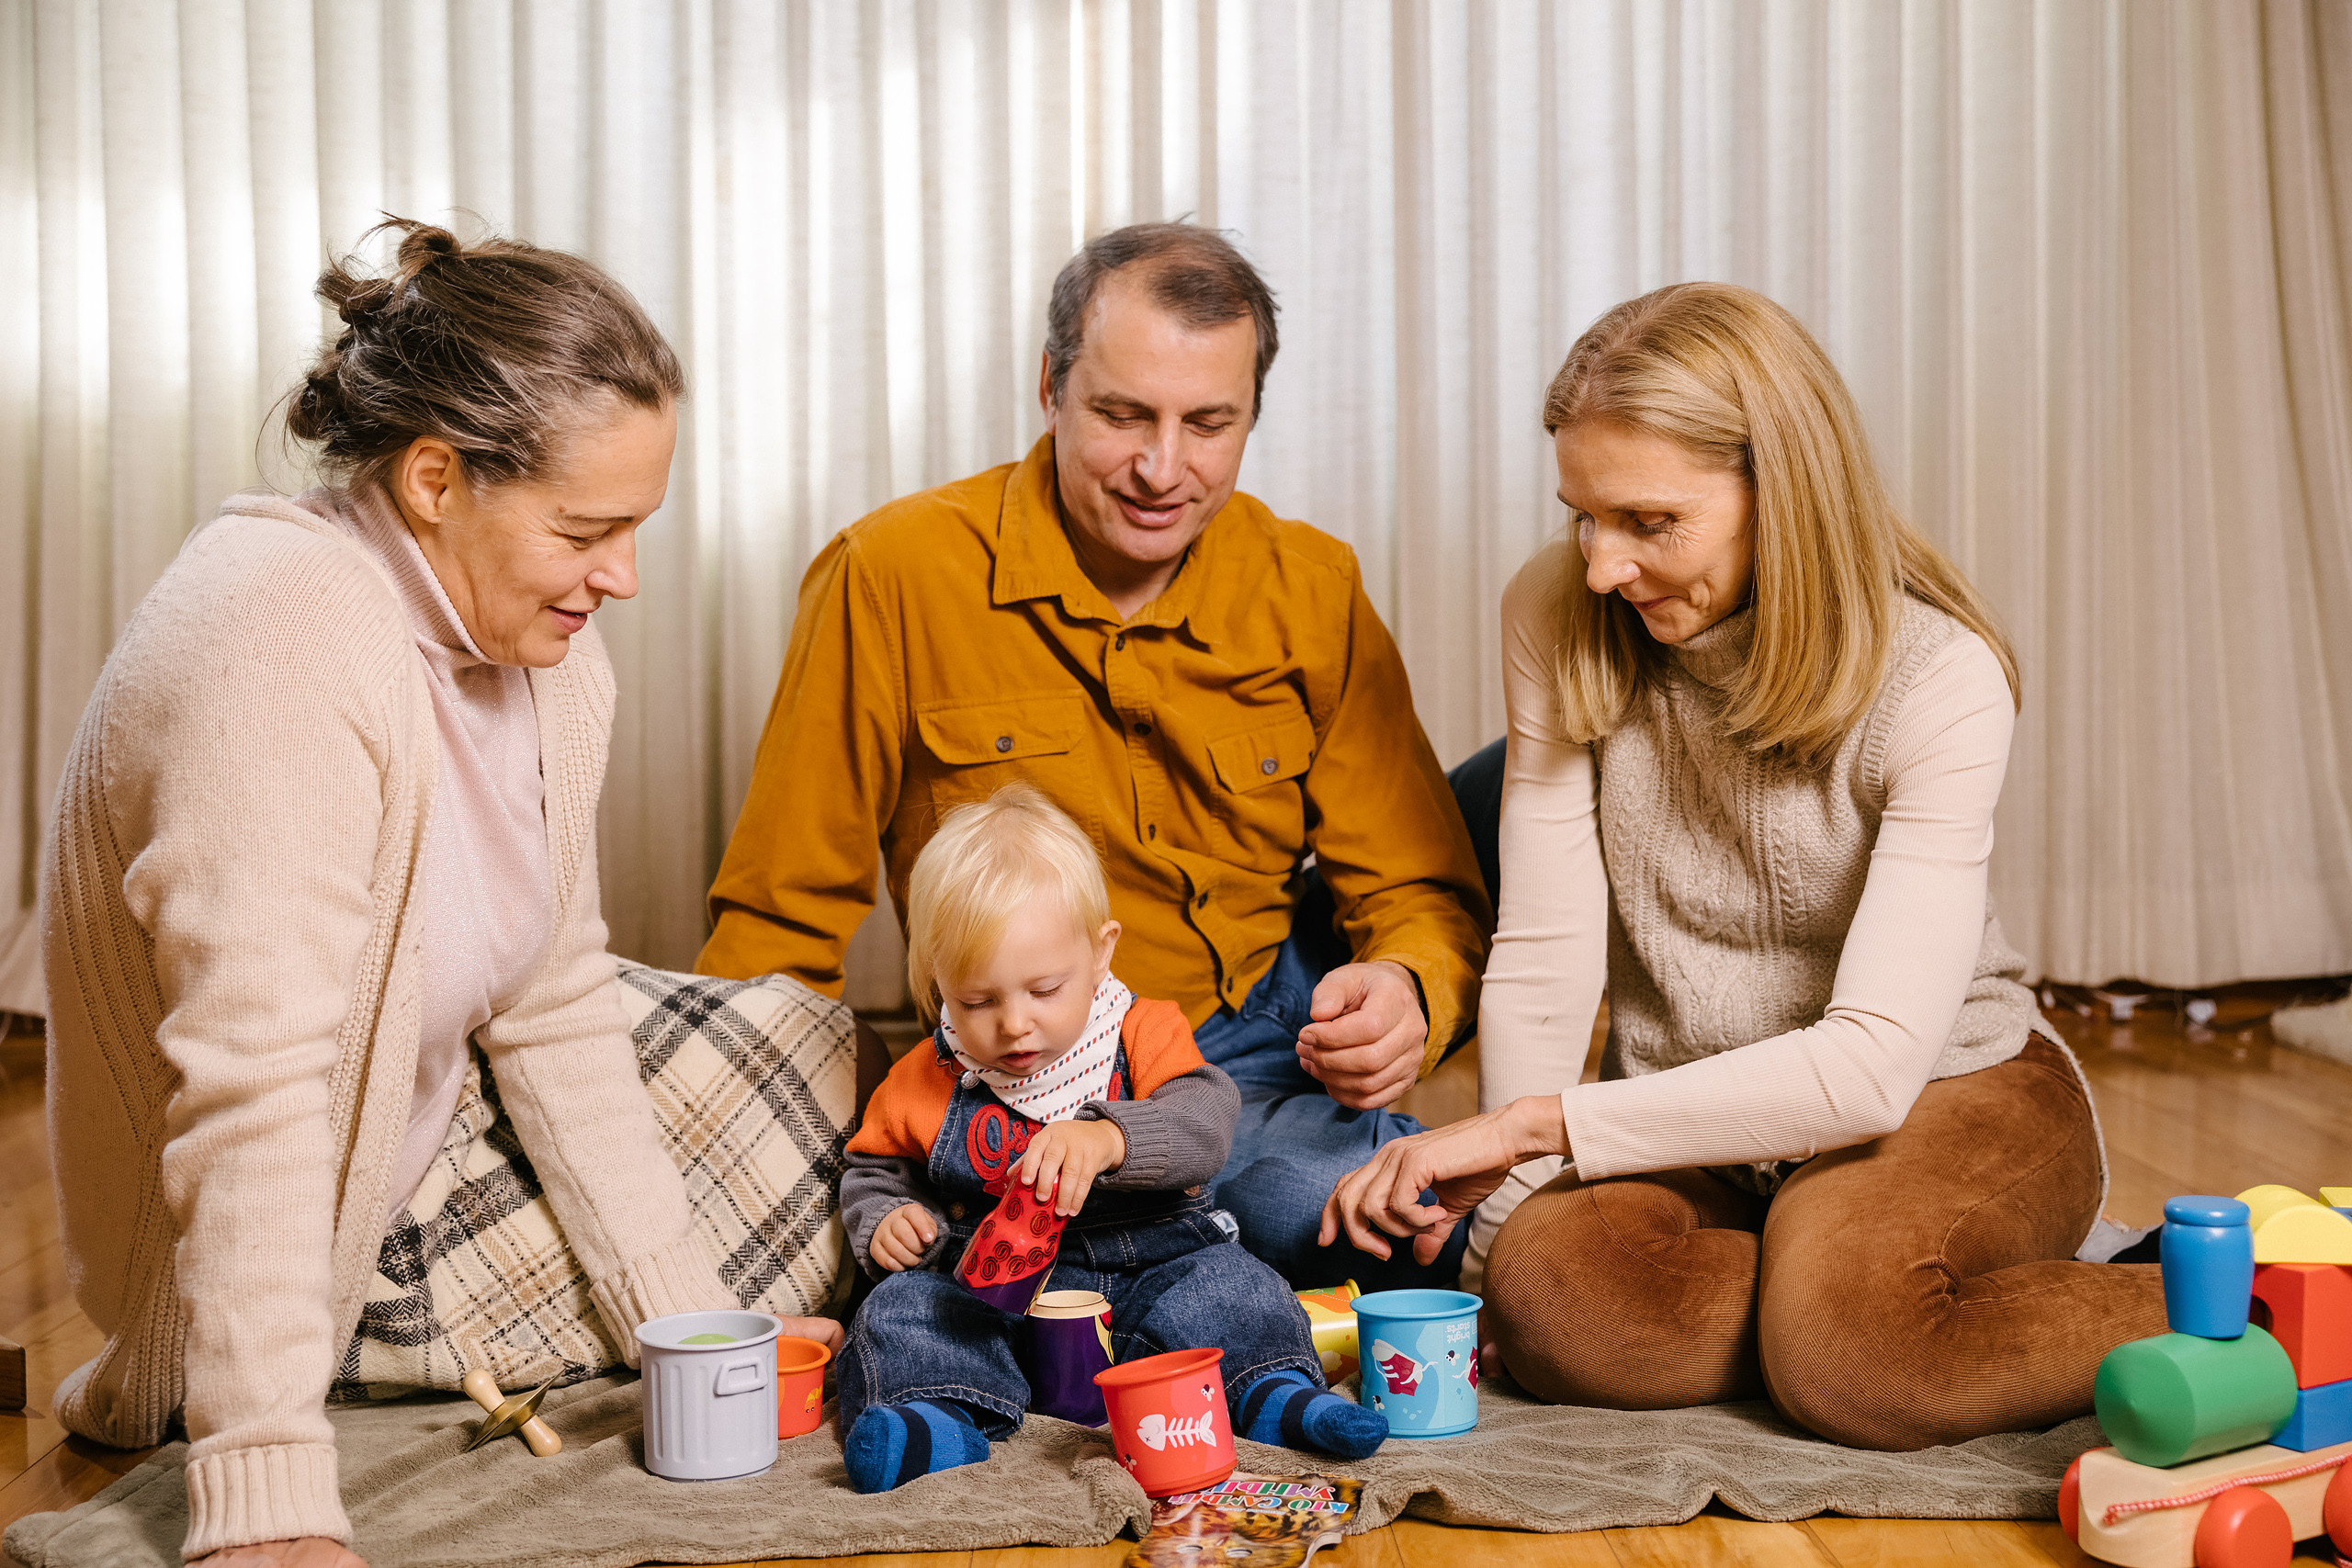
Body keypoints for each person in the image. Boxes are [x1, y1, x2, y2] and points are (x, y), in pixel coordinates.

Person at [40, 220, 841, 1568]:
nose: (622, 576)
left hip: (428, 1106)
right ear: (433, 478)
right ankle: (230, 1386)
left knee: (801, 1042)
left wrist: (686, 1328)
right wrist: (263, 1490)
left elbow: (553, 998)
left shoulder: (542, 652)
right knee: (818, 1183)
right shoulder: (274, 639)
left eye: (636, 529)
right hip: (299, 1227)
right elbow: (254, 1089)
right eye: (586, 530)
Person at [1319, 282, 2167, 1450]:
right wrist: (1502, 1239)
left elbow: (1869, 1068)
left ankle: (2228, 1297)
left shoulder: (1940, 676)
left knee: (1857, 1362)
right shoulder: (1555, 611)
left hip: (1945, 1087)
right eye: (1582, 516)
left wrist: (1521, 1133)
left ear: (1784, 491)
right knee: (1560, 1303)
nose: (1603, 565)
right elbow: (1550, 951)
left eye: (1649, 521)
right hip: (1696, 1112)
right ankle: (1827, 1281)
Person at [699, 222, 1493, 1288]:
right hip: (1035, 1070)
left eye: (1207, 424)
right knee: (1296, 1219)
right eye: (1122, 416)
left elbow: (1415, 890)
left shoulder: (1312, 585)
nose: (1162, 469)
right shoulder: (887, 575)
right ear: (1051, 388)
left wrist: (1406, 989)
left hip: (1263, 1027)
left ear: (1251, 414)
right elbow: (778, 922)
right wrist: (763, 1160)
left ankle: (1318, 1177)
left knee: (1359, 1205)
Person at [835, 784, 1386, 1492]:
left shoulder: (1140, 1030)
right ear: (938, 978)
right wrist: (886, 1217)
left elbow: (1206, 1121)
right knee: (901, 1309)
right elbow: (873, 1168)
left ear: (1101, 954)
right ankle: (930, 1419)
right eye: (977, 1000)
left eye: (1044, 990)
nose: (1014, 1024)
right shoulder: (927, 1075)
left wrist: (1111, 1139)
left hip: (1152, 1272)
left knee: (1236, 1285)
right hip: (994, 1303)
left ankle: (1273, 1393)